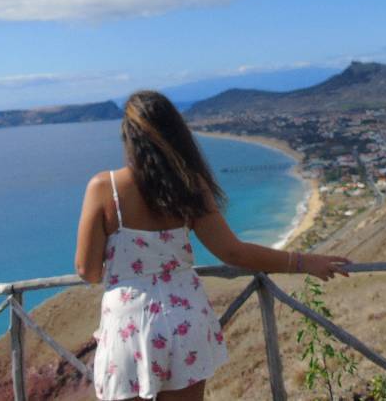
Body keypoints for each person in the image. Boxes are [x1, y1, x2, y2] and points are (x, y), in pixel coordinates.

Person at [75, 90, 350, 401]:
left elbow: (87, 270)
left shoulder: (103, 188)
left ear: (128, 137)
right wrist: (303, 262)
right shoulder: (190, 185)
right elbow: (233, 252)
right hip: (185, 321)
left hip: (129, 326)